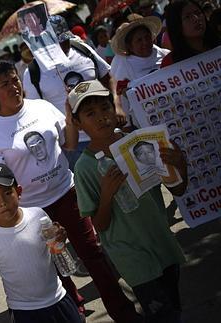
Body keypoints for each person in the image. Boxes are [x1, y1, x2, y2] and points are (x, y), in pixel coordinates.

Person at [0, 61, 142, 322]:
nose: (13, 87)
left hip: (67, 194)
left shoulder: (42, 108)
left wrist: (68, 113)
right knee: (56, 265)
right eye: (5, 84)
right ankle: (73, 314)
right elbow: (0, 180)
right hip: (33, 211)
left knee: (94, 255)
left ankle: (125, 313)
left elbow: (70, 143)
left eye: (14, 80)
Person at [69, 80, 187, 323]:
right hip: (132, 257)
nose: (101, 117)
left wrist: (179, 163)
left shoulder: (139, 142)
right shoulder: (85, 167)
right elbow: (99, 226)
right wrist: (107, 195)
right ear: (78, 124)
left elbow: (179, 189)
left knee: (173, 307)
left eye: (105, 108)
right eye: (90, 113)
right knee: (165, 316)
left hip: (161, 242)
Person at [0, 164, 81, 322]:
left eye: (8, 193)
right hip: (24, 311)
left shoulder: (38, 216)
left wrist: (60, 238)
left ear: (19, 191)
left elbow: (55, 248)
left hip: (58, 298)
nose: (2, 202)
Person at [23, 15, 113, 170]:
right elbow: (36, 114)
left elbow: (107, 77)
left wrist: (115, 106)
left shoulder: (82, 50)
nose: (63, 45)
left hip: (107, 130)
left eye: (65, 40)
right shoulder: (33, 72)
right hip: (74, 146)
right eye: (57, 42)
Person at [110, 14, 170, 128]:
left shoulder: (165, 55)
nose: (145, 42)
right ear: (130, 46)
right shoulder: (124, 66)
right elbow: (122, 99)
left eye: (147, 37)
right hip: (147, 124)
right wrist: (126, 124)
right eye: (139, 40)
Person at [161, 0, 221, 67]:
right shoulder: (169, 63)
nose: (196, 19)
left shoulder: (218, 46)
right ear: (176, 25)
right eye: (187, 17)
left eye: (198, 13)